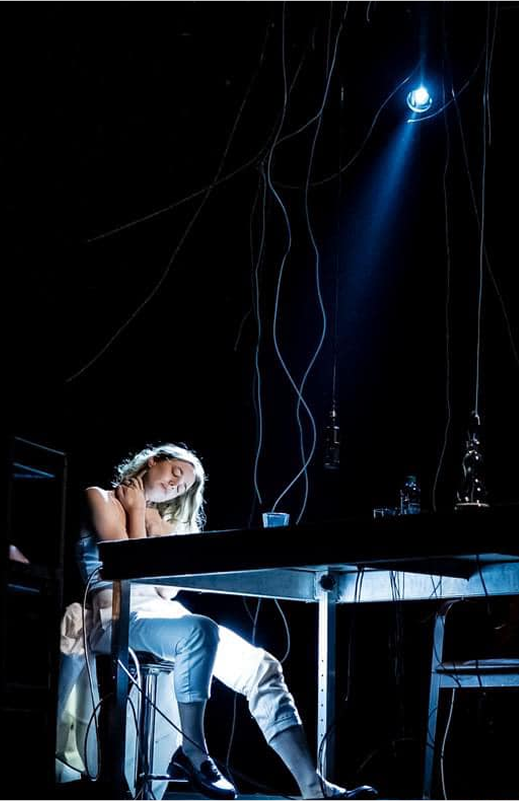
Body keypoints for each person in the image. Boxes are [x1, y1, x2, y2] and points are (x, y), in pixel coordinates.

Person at [78, 442, 377, 801]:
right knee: (199, 629)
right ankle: (193, 752)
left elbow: (166, 591)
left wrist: (145, 517)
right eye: (176, 473)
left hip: (167, 620)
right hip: (117, 616)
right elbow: (126, 567)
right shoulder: (101, 497)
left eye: (184, 486)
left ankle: (314, 787)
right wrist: (138, 512)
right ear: (155, 460)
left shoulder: (157, 520)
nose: (176, 485)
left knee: (261, 666)